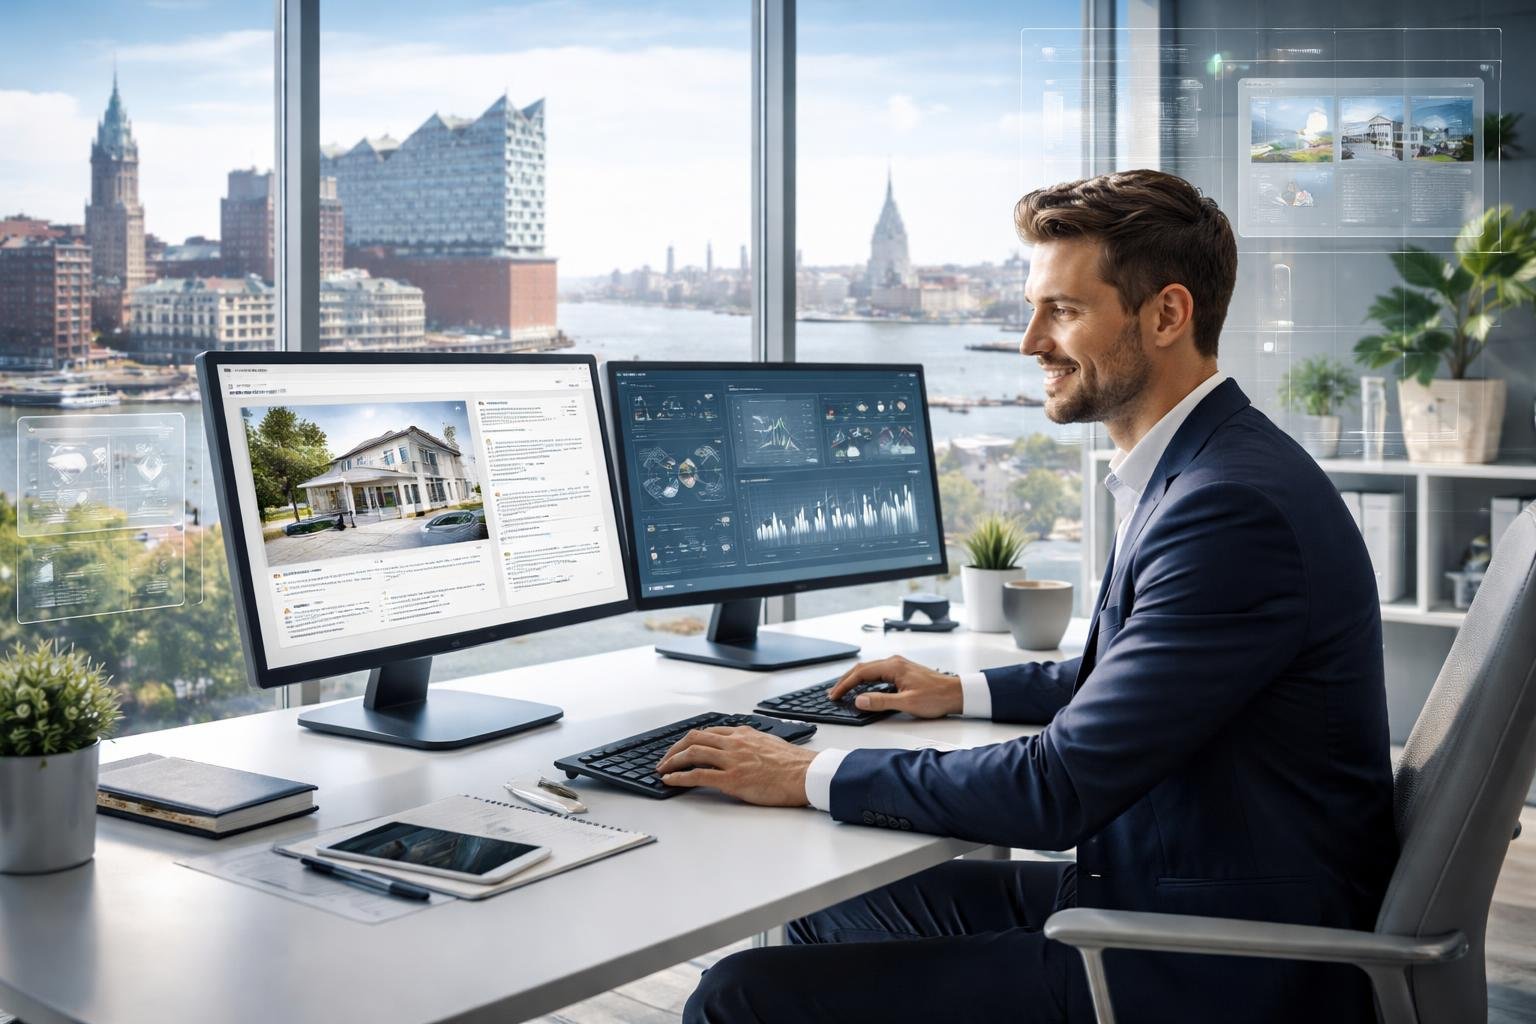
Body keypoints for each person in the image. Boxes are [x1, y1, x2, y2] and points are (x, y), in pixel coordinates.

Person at [658, 169, 1398, 1024]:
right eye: (1033, 308)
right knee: (825, 912)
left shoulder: (1229, 509)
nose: (1029, 342)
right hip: (1165, 890)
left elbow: (1056, 789)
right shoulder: (1207, 466)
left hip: (1214, 964)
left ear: (1166, 315)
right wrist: (958, 691)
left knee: (737, 996)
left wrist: (810, 770)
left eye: (1064, 311)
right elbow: (1130, 682)